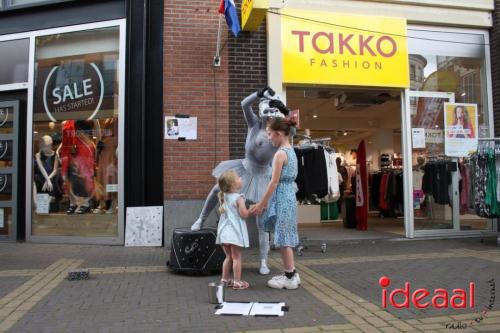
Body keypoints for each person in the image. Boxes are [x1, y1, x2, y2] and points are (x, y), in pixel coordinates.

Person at [190, 87, 290, 276]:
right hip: (244, 168)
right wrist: (259, 94)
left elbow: (291, 127)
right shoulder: (253, 125)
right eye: (266, 111)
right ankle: (201, 219)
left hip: (264, 176)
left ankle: (263, 260)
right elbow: (244, 104)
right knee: (216, 189)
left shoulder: (277, 132)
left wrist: (284, 109)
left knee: (262, 219)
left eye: (271, 112)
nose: (268, 115)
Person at [250, 117, 300, 290]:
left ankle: (289, 277)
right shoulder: (291, 151)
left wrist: (262, 203)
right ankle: (291, 272)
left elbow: (273, 182)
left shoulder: (280, 154)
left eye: (270, 135)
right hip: (289, 196)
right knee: (287, 235)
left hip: (282, 197)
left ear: (279, 134)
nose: (269, 138)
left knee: (285, 239)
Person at [216, 170, 252, 290]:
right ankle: (237, 282)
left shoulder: (224, 196)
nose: (241, 178)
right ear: (233, 184)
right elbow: (244, 215)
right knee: (237, 258)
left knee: (228, 257)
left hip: (224, 233)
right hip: (234, 234)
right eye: (238, 177)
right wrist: (252, 209)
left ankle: (224, 280)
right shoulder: (239, 198)